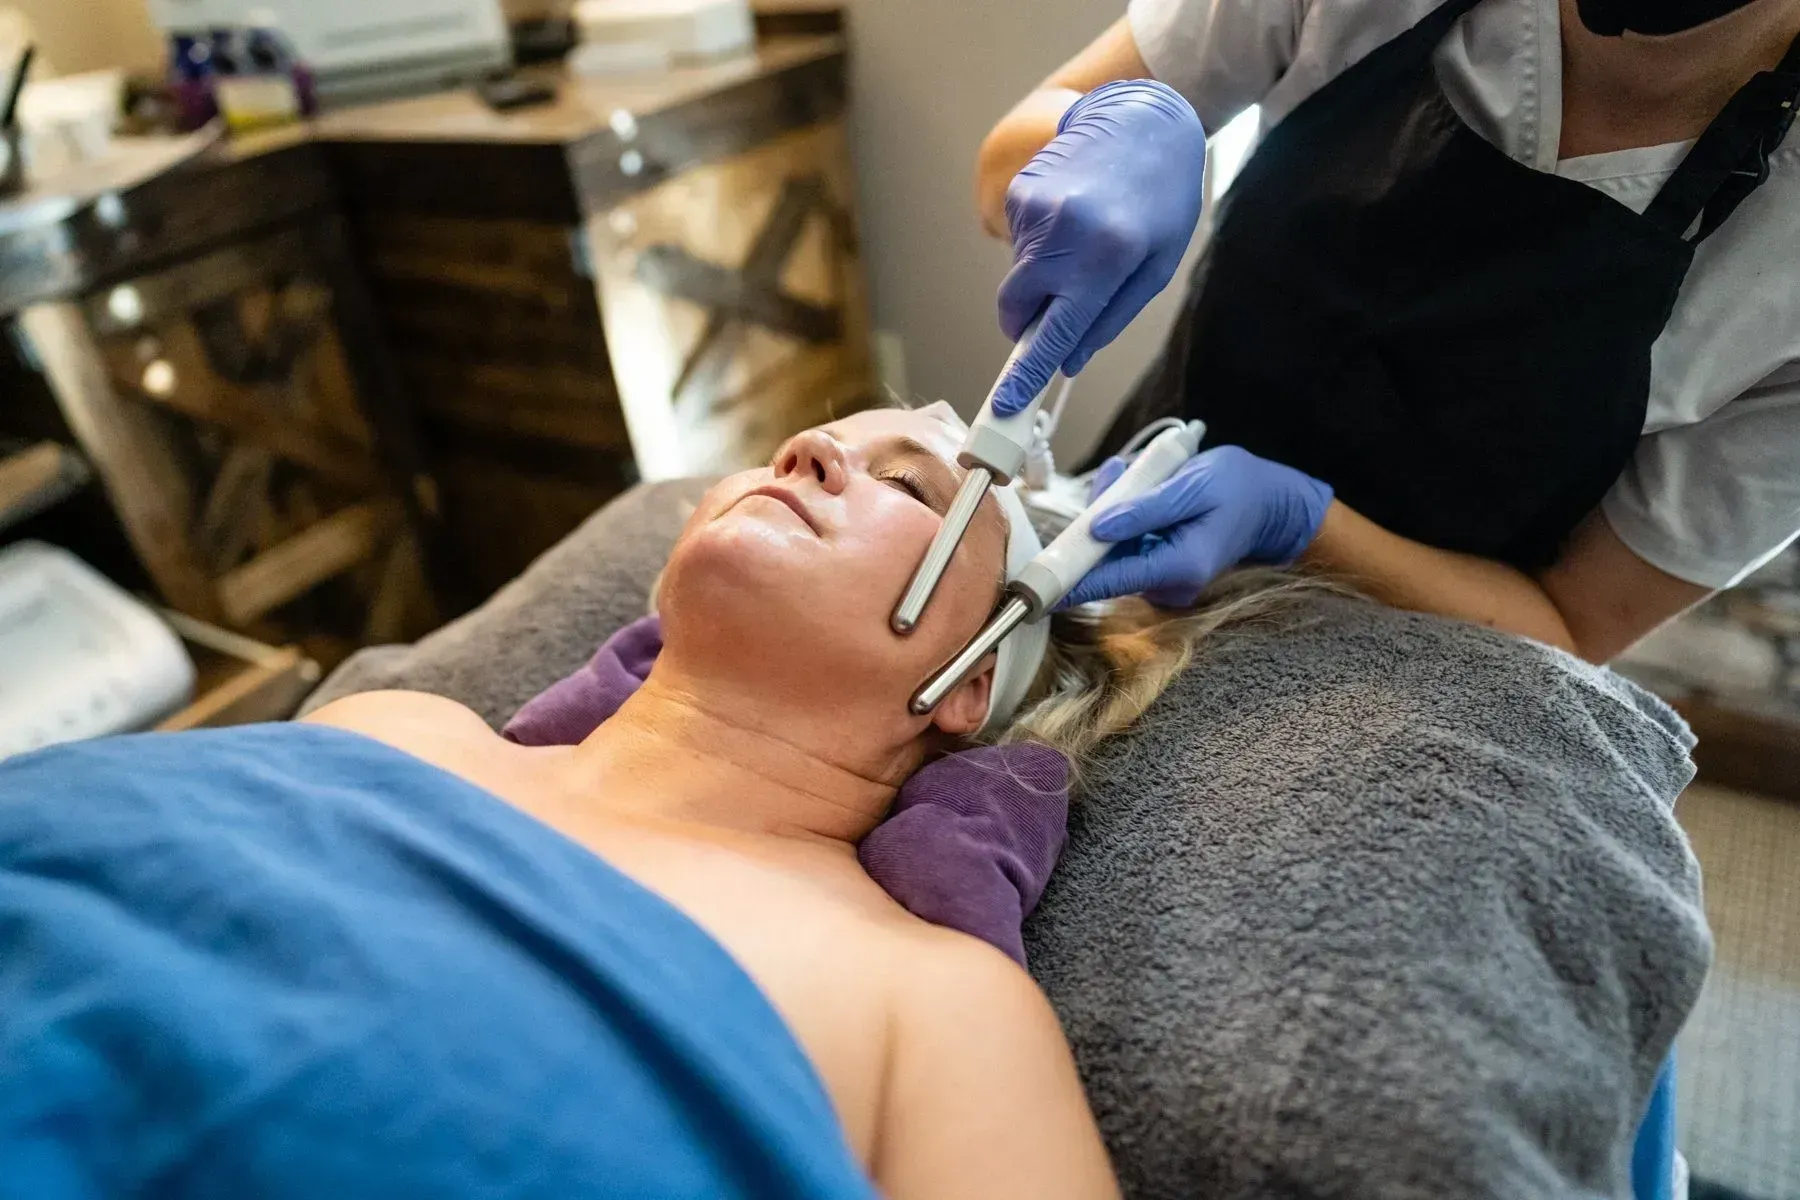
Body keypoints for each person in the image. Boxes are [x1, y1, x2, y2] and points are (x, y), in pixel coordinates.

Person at [0, 404, 1303, 1200]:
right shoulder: (398, 724)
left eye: (905, 482)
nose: (808, 449)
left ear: (971, 683)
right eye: (819, 441)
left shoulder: (933, 1005)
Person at [979, 0, 1800, 664]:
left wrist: (1302, 526)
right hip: (1119, 528)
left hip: (1416, 683)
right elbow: (1005, 160)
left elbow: (1573, 629)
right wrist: (1114, 128)